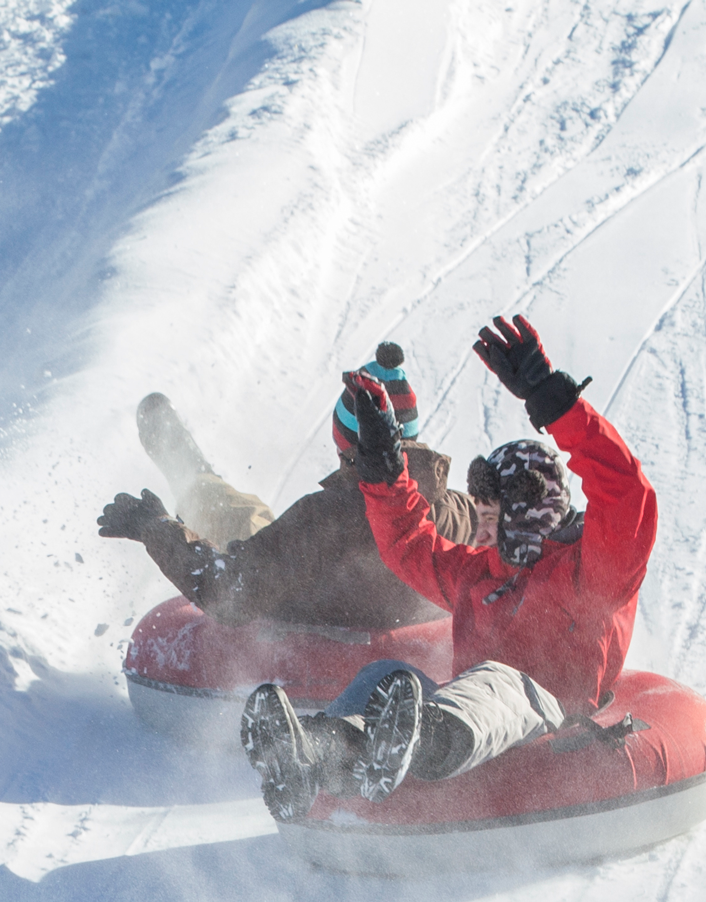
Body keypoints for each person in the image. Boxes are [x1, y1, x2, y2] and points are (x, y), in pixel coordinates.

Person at [240, 314, 660, 821]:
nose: (479, 535)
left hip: (551, 719)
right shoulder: (481, 575)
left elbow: (627, 495)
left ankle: (421, 740)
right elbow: (409, 543)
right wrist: (383, 466)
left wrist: (555, 400)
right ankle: (316, 751)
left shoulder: (591, 573)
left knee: (501, 682)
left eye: (491, 519)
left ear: (527, 514)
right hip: (467, 723)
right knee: (386, 673)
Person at [94, 347, 480, 638]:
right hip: (398, 627)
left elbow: (230, 590)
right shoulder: (462, 512)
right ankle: (197, 477)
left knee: (241, 515)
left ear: (348, 446)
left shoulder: (327, 518)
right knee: (258, 518)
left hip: (305, 615)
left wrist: (153, 527)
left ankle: (193, 475)